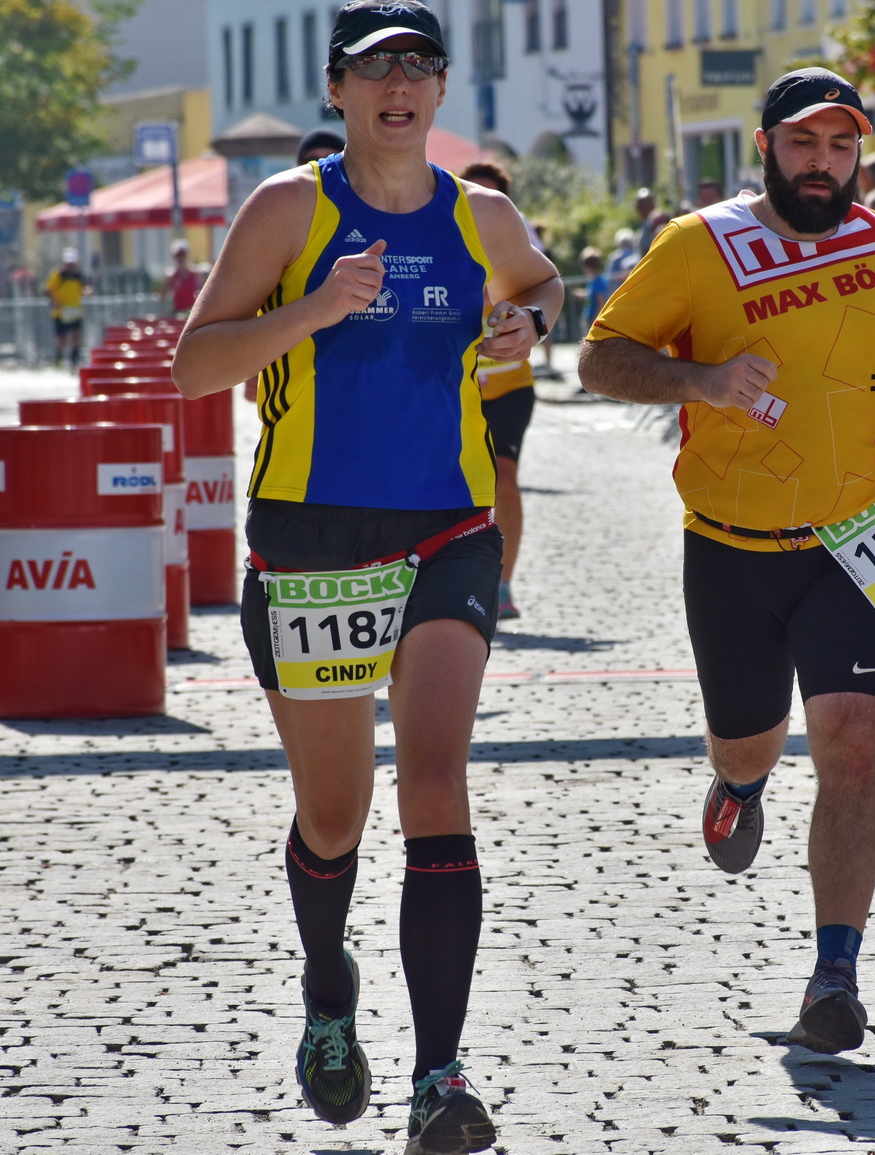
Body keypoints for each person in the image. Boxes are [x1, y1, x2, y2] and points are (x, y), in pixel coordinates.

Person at [171, 3, 562, 1150]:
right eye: (376, 66)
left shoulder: (480, 212)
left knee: (435, 779)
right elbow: (198, 366)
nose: (400, 84)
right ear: (337, 88)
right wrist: (313, 308)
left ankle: (440, 1076)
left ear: (442, 92)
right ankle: (328, 990)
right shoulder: (287, 207)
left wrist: (524, 327)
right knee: (334, 817)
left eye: (420, 65)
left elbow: (540, 284)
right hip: (309, 543)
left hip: (447, 528)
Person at [579, 66, 875, 1057]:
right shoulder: (697, 246)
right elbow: (600, 357)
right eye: (803, 143)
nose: (823, 163)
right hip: (733, 547)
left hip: (863, 537)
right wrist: (701, 378)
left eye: (840, 147)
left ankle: (834, 972)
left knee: (852, 746)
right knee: (749, 744)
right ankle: (738, 786)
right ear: (765, 146)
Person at [459, 159, 544, 620]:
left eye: (491, 193)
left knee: (505, 477)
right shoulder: (442, 223)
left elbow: (539, 290)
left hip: (510, 384)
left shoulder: (514, 232)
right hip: (462, 383)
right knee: (466, 484)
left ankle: (504, 584)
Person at [45, 248, 87, 369]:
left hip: (75, 311)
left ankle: (74, 360)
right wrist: (54, 301)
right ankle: (59, 359)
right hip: (61, 312)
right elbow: (49, 289)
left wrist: (87, 292)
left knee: (76, 336)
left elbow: (83, 289)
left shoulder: (79, 276)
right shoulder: (58, 275)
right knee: (61, 339)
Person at [161, 240, 200, 317]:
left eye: (183, 255)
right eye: (178, 256)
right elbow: (163, 295)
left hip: (192, 312)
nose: (181, 258)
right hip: (177, 312)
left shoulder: (195, 273)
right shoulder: (171, 275)